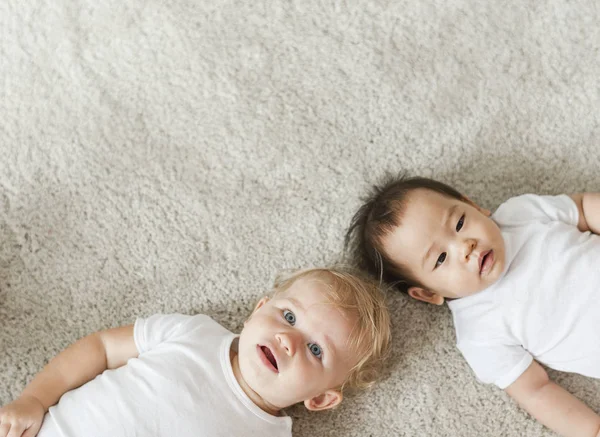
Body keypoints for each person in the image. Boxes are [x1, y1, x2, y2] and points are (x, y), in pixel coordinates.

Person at [345, 174, 600, 437]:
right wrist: (591, 430)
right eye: (441, 258)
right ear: (427, 293)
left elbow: (581, 208)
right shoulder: (479, 333)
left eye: (459, 223)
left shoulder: (521, 214)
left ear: (474, 206)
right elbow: (535, 391)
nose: (464, 246)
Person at [0, 267, 391, 437]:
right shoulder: (193, 333)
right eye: (289, 315)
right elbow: (101, 348)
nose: (289, 340)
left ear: (320, 398)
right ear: (259, 309)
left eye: (316, 349)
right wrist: (34, 398)